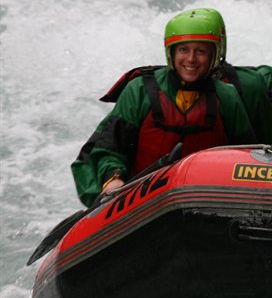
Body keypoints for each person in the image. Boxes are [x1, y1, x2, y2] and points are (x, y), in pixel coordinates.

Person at [71, 10, 257, 206]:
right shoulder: (140, 89)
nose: (191, 59)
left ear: (213, 56)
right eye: (184, 50)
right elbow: (110, 147)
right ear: (172, 53)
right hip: (141, 202)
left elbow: (245, 156)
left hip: (204, 200)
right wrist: (114, 178)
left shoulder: (226, 96)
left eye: (200, 51)